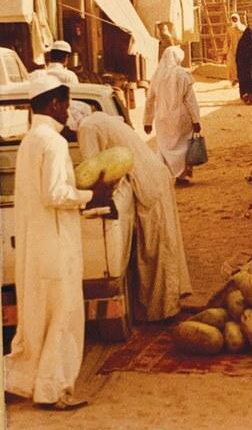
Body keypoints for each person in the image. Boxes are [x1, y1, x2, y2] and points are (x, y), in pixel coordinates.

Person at [4, 74, 110, 410]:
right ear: (54, 103)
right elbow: (55, 193)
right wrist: (92, 194)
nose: (68, 111)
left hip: (37, 248)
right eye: (65, 104)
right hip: (55, 247)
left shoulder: (30, 140)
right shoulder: (53, 142)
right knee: (63, 318)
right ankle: (55, 391)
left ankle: (21, 381)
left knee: (38, 320)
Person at [67, 102, 193, 322]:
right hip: (153, 175)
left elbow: (94, 171)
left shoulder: (87, 128)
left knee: (156, 249)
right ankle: (165, 306)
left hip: (148, 183)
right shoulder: (98, 119)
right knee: (161, 244)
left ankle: (164, 310)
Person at [144, 46, 201, 183]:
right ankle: (181, 176)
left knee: (164, 147)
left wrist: (147, 121)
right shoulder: (183, 74)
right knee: (182, 146)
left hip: (162, 118)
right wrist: (196, 120)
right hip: (181, 117)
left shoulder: (156, 75)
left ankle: (163, 176)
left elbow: (149, 99)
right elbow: (190, 100)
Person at [223, 14, 245, 86]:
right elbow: (227, 41)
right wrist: (225, 52)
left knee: (241, 65)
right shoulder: (229, 29)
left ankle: (241, 80)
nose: (234, 20)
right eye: (233, 19)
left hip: (241, 50)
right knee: (231, 65)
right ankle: (234, 80)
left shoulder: (243, 28)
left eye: (235, 19)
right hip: (232, 50)